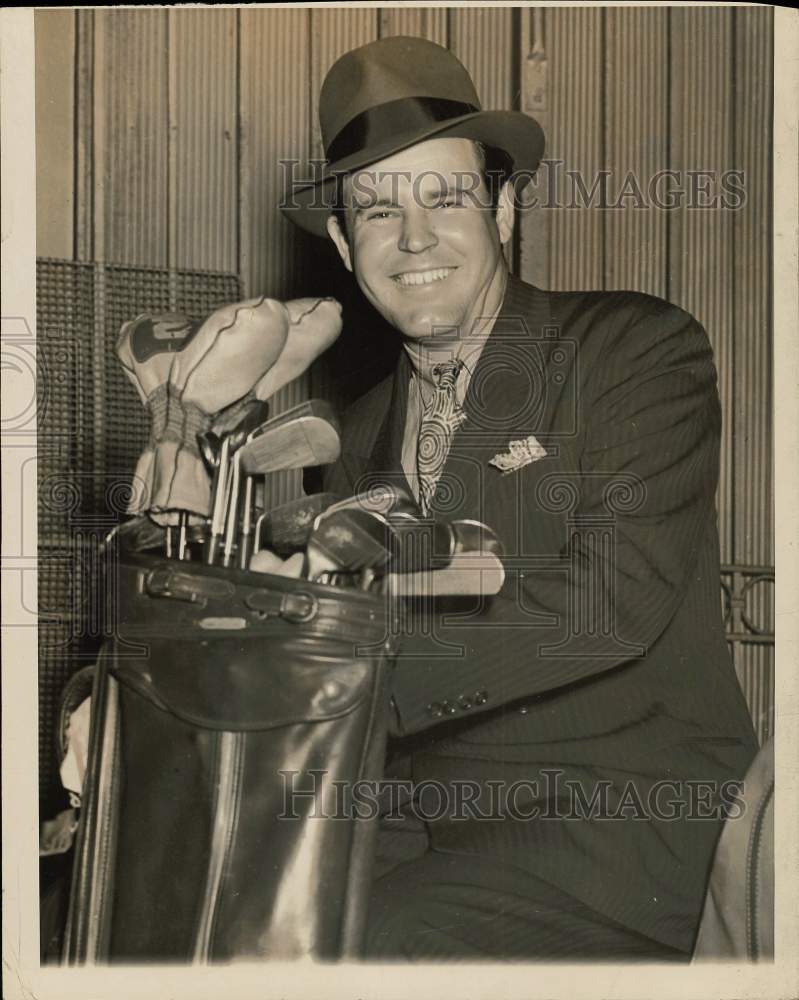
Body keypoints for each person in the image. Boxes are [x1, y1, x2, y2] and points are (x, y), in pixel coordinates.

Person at [281, 35, 759, 961]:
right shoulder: (356, 432)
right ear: (343, 243)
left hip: (617, 839)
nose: (412, 239)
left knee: (376, 945)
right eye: (376, 211)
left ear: (501, 206)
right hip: (432, 840)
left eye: (445, 198)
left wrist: (321, 688)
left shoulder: (635, 351)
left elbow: (603, 606)